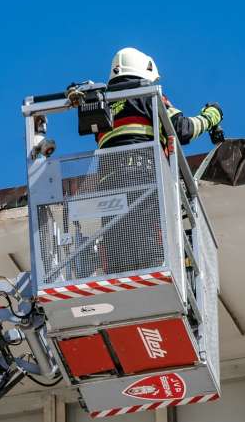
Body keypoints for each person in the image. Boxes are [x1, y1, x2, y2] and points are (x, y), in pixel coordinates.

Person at [89, 47, 223, 276]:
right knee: (151, 240)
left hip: (108, 185)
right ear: (146, 71)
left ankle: (119, 275)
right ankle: (159, 271)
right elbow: (182, 129)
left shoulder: (103, 105)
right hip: (143, 176)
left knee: (117, 242)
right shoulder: (146, 93)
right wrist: (212, 116)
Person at [96, 48, 223, 150]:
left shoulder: (102, 109)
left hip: (109, 180)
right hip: (146, 173)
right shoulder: (148, 96)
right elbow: (181, 129)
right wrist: (210, 117)